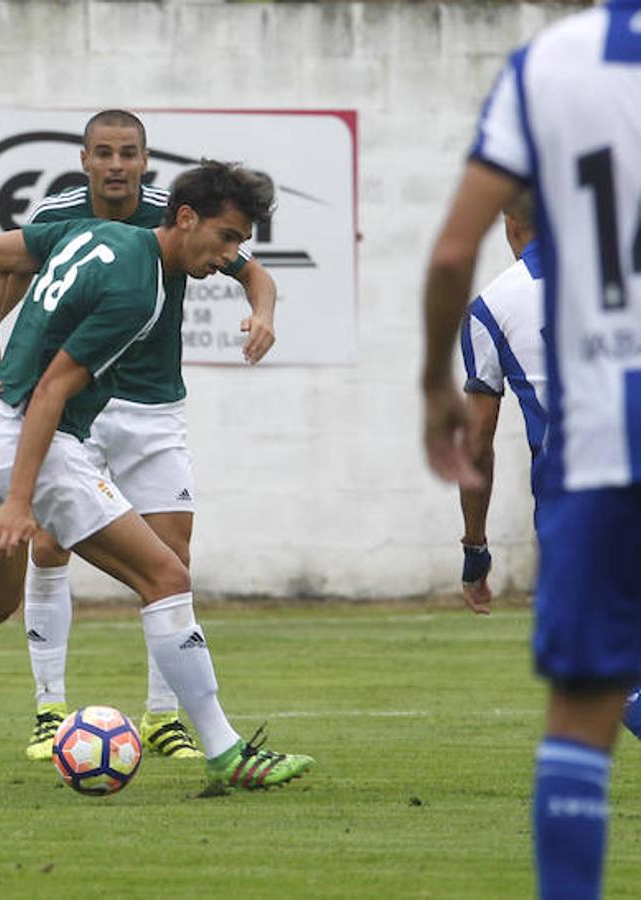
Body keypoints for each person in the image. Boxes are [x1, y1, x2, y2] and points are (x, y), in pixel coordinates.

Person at [0, 162, 314, 796]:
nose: (230, 256)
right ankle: (225, 751)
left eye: (240, 244)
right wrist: (22, 501)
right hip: (27, 437)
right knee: (166, 575)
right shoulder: (140, 291)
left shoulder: (86, 233)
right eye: (227, 237)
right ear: (185, 218)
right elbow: (52, 389)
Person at [421, 6, 641, 895]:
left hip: (593, 464)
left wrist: (428, 388)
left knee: (587, 703)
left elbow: (446, 258)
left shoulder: (555, 60)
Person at [0, 109, 280, 761]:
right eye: (104, 153)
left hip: (154, 410)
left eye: (129, 154)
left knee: (172, 560)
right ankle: (48, 708)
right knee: (51, 545)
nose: (117, 165)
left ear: (146, 163)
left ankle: (163, 718)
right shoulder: (65, 213)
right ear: (84, 160)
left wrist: (262, 313)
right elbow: (5, 268)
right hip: (83, 408)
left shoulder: (178, 215)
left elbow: (252, 271)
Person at [456, 191, 545, 616]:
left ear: (511, 224)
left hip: (573, 478)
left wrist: (476, 548)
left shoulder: (491, 308)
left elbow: (476, 444)